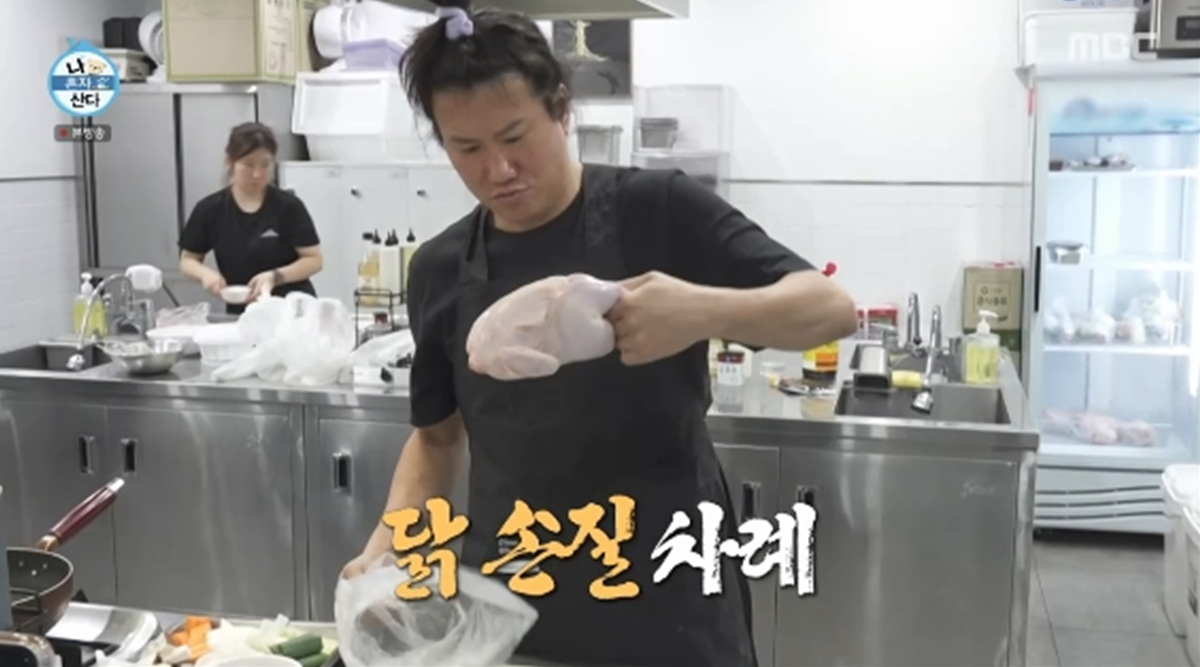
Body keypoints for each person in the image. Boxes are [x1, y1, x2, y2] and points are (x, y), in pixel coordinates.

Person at [340, 2, 857, 666]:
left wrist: (702, 310)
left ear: (562, 109)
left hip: (671, 603)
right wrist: (390, 541)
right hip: (516, 606)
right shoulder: (441, 269)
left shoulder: (658, 211)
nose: (498, 169)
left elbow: (829, 308)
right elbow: (437, 438)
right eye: (468, 149)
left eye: (515, 136)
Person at [179, 122, 323, 315]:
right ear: (230, 161)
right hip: (243, 312)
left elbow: (314, 259)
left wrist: (275, 277)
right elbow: (188, 260)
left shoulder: (288, 206)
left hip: (292, 311)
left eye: (265, 165)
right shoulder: (211, 209)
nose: (257, 174)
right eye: (248, 164)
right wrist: (206, 275)